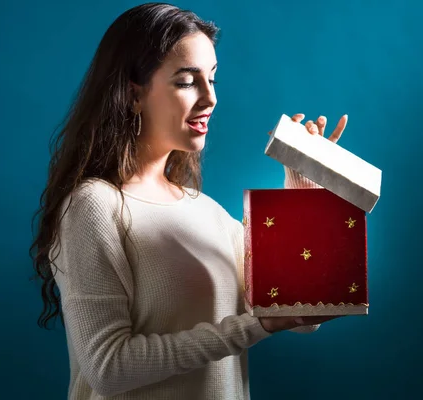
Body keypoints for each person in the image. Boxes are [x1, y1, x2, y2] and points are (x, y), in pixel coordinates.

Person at [30, 2, 349, 399]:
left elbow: (302, 315)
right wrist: (257, 326)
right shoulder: (95, 207)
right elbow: (107, 368)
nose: (210, 97)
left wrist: (302, 194)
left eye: (213, 78)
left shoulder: (207, 211)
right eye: (187, 81)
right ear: (133, 94)